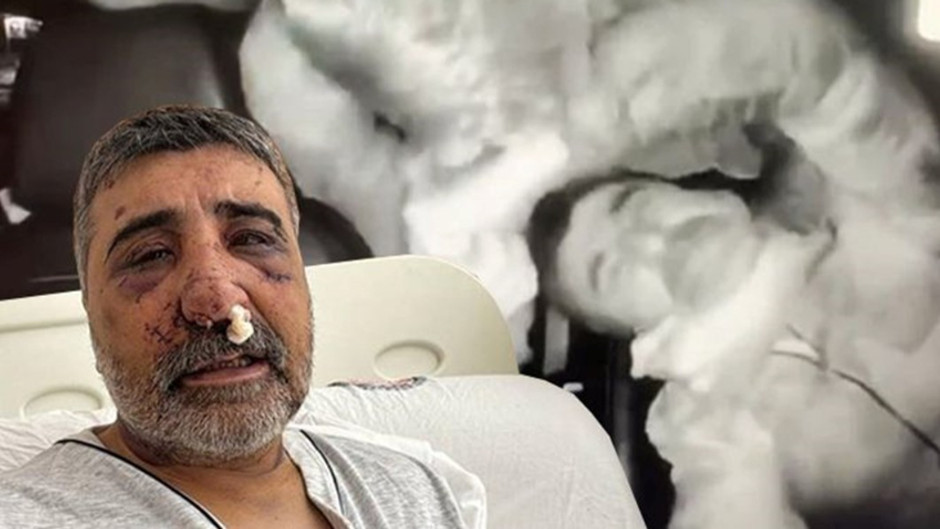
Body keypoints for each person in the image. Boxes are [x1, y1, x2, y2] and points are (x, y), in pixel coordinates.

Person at [0, 105, 485, 528]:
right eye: (151, 255)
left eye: (252, 239)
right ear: (89, 305)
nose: (217, 300)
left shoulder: (413, 491)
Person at [527, 169, 940, 528]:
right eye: (615, 272)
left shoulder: (836, 190)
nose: (646, 237)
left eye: (636, 204)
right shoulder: (703, 423)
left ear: (684, 190)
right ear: (631, 328)